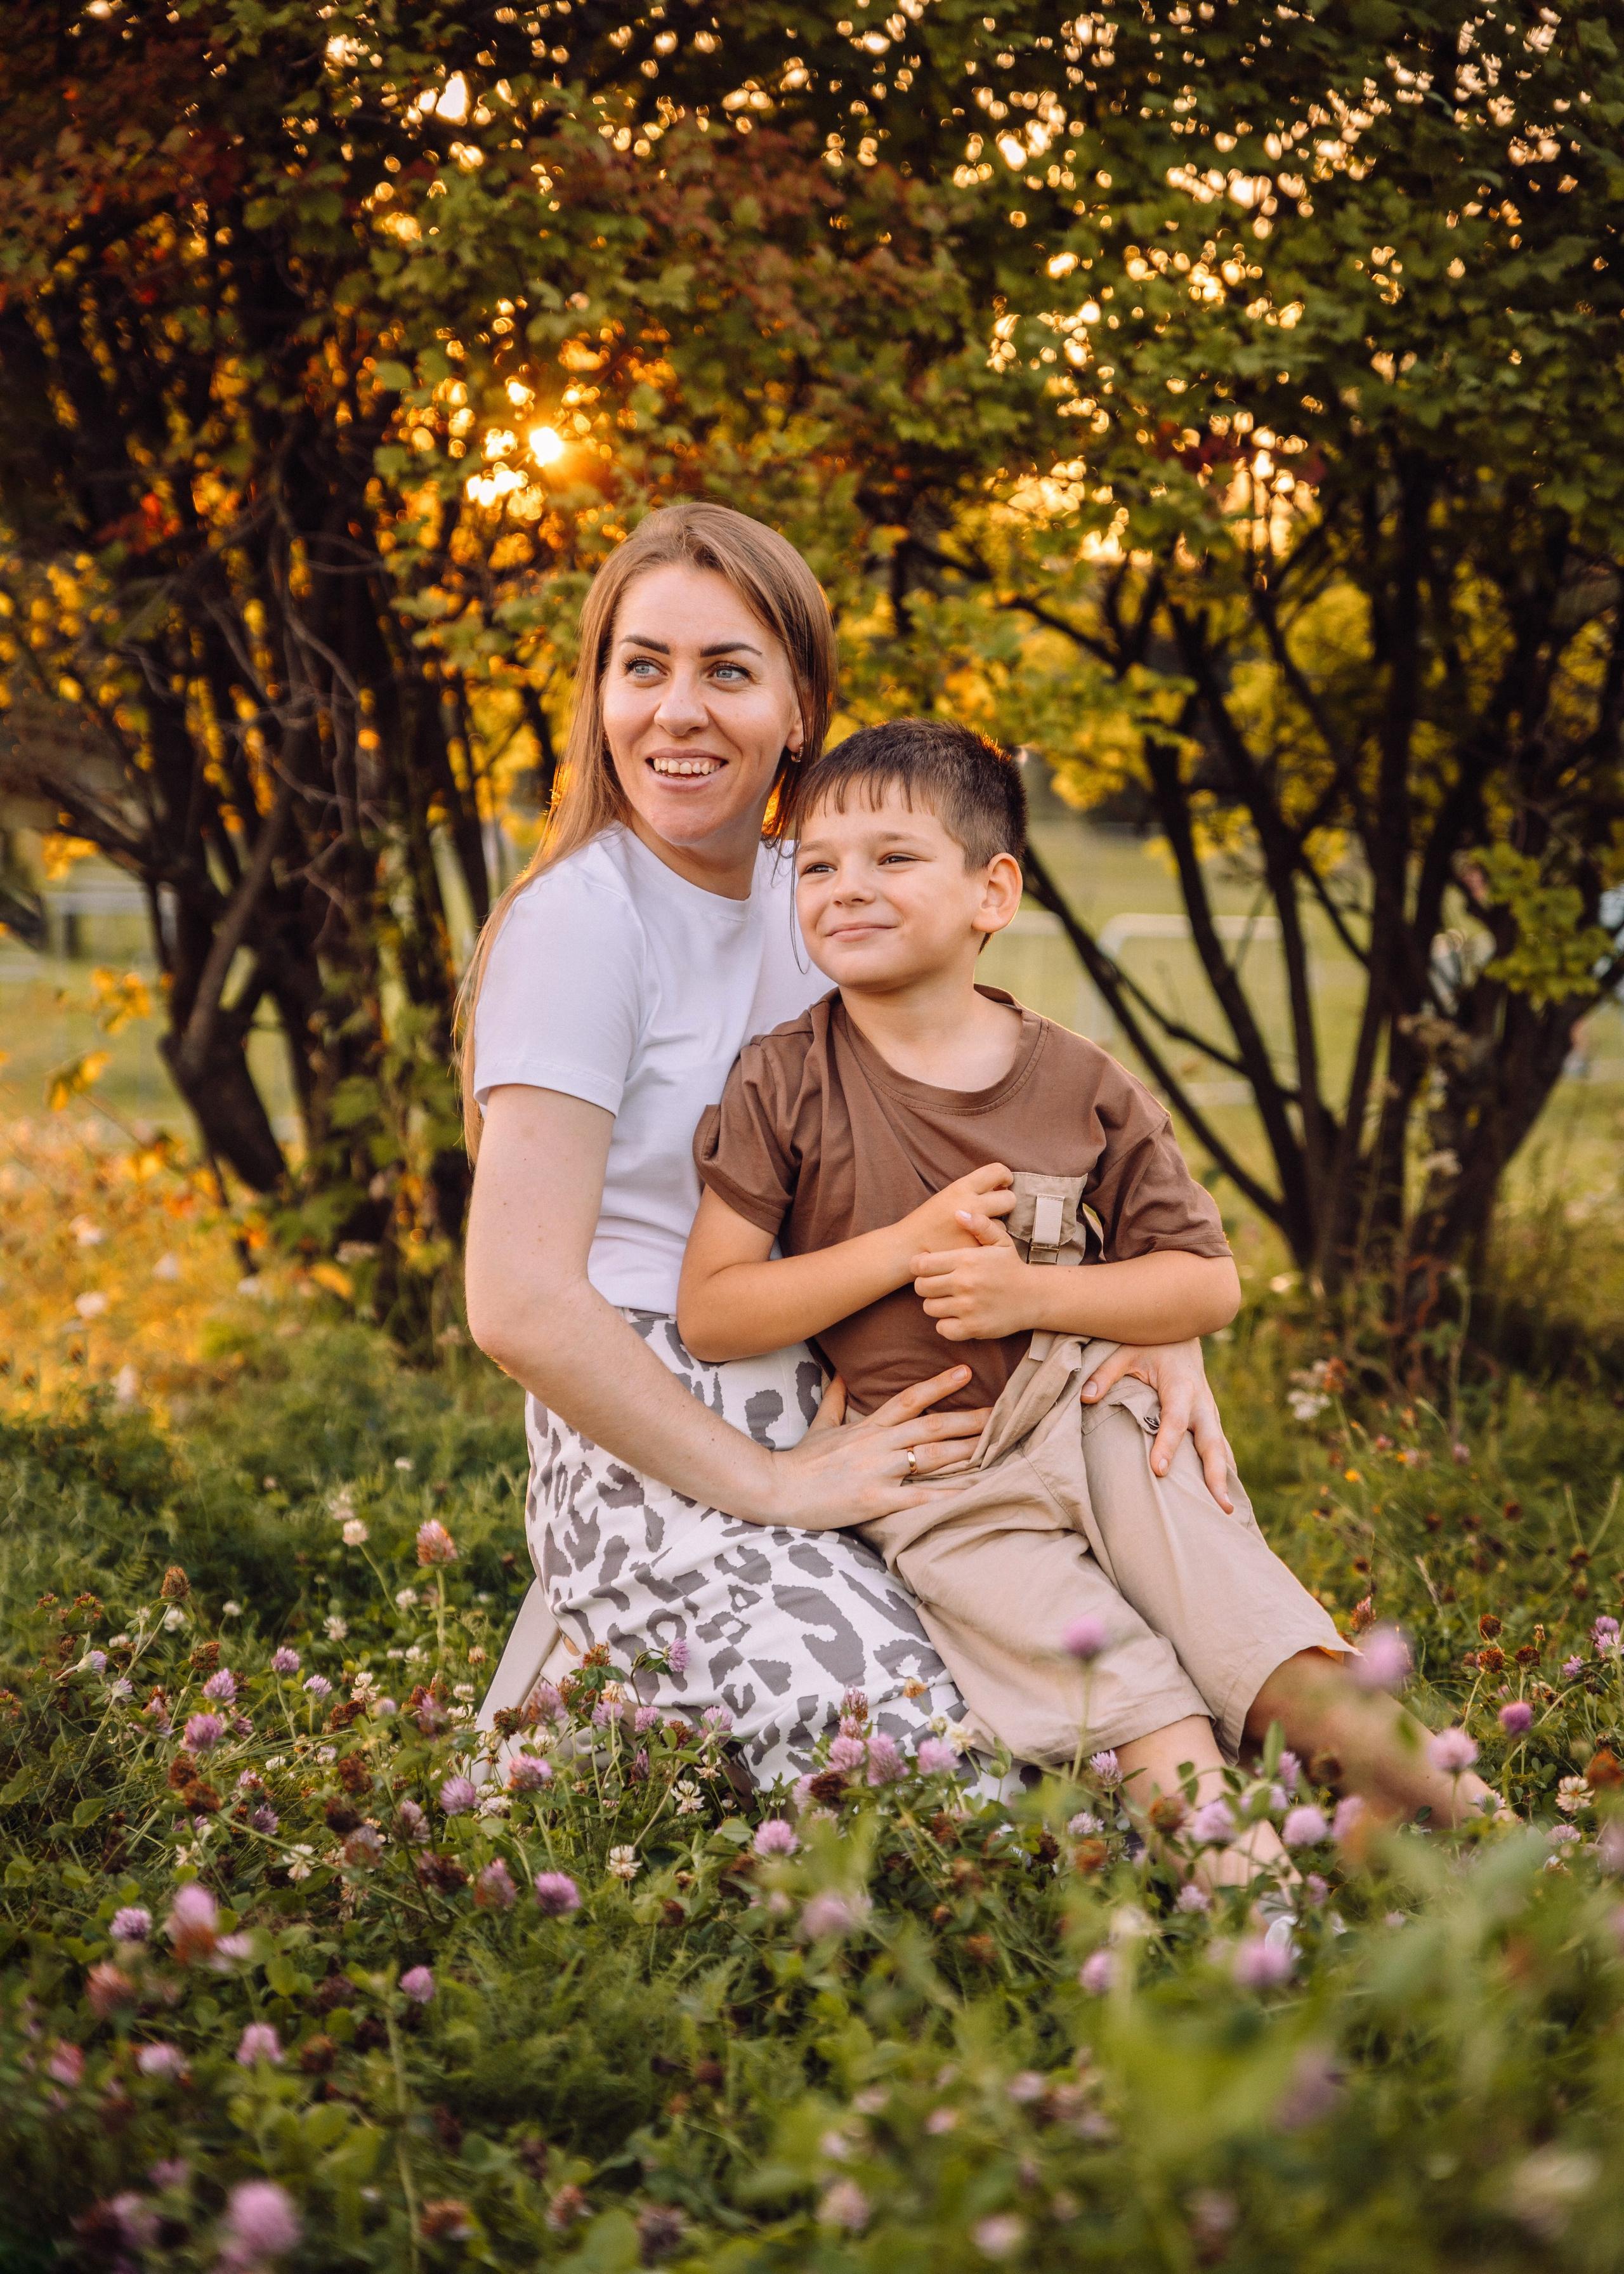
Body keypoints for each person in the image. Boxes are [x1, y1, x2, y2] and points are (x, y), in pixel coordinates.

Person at [460, 503, 1231, 1787]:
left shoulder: (819, 892)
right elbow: (520, 1302)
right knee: (935, 1777)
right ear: (598, 694)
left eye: (727, 669)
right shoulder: (580, 924)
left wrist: (1155, 1318)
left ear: (800, 709)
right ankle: (615, 1683)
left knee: (1148, 1691)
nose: (676, 710)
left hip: (888, 1389)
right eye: (640, 666)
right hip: (662, 1432)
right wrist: (767, 1486)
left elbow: (1012, 1116)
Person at [678, 719, 1505, 1855]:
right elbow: (712, 1311)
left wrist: (1030, 1300)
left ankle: (1533, 1872)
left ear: (993, 891)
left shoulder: (1078, 1083)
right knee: (1141, 1712)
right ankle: (1264, 1940)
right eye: (817, 864)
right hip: (942, 1482)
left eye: (893, 857)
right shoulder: (783, 1079)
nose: (845, 887)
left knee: (1278, 1667)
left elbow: (1202, 1286)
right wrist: (906, 1247)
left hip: (1101, 1421)